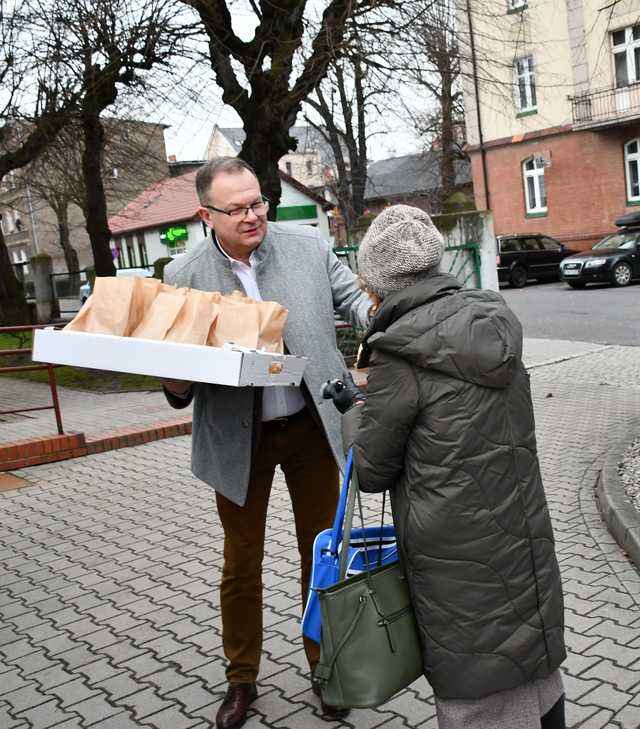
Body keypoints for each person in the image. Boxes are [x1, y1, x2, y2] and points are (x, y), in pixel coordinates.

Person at [335, 204, 567, 729]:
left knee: (478, 691)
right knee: (536, 675)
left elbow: (371, 471)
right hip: (520, 534)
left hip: (454, 558)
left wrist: (353, 413)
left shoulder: (400, 354)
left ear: (380, 283)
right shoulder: (493, 324)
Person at [160, 157, 371, 729]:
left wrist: (395, 318)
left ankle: (327, 667)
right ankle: (241, 679)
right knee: (241, 563)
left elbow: (359, 303)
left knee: (322, 552)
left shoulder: (306, 248)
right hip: (237, 437)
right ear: (206, 215)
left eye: (258, 203)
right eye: (237, 209)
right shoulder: (182, 275)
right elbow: (175, 381)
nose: (253, 216)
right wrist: (174, 377)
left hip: (309, 427)